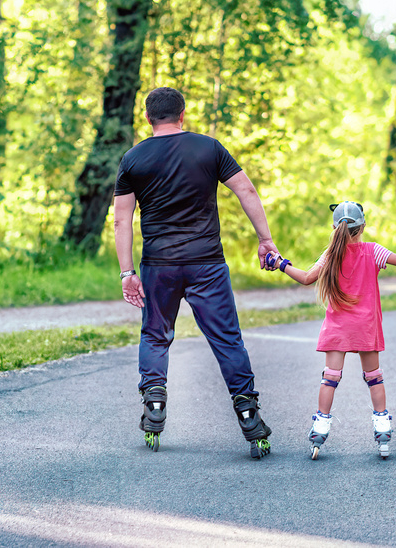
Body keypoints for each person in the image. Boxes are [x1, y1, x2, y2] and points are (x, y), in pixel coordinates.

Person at [113, 86, 279, 459]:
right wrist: (265, 239)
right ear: (182, 114)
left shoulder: (133, 158)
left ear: (148, 118)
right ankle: (249, 416)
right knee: (227, 340)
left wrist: (127, 273)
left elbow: (121, 220)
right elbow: (246, 190)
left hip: (159, 266)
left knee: (155, 336)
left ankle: (154, 404)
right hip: (207, 264)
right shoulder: (209, 148)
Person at [264, 201, 396, 459]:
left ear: (334, 227)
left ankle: (320, 426)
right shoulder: (372, 251)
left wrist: (280, 263)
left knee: (330, 377)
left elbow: (307, 278)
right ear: (363, 226)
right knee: (374, 377)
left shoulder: (331, 254)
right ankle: (382, 427)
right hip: (366, 327)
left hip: (338, 328)